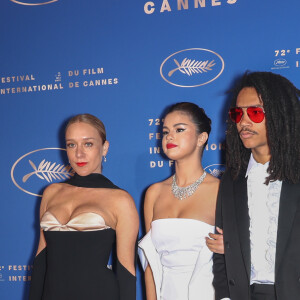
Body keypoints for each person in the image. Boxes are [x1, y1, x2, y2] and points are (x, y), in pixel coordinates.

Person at [29, 113, 139, 300]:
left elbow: (126, 271)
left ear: (104, 148)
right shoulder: (51, 192)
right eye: (72, 144)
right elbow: (40, 259)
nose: (79, 153)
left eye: (88, 144)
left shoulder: (120, 200)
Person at [213, 72, 300, 300]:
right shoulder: (231, 181)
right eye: (237, 113)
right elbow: (222, 255)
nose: (244, 122)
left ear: (279, 114)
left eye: (255, 112)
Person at [138, 102, 223, 300]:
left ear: (201, 138)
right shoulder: (154, 193)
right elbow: (150, 261)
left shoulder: (221, 191)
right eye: (166, 131)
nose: (169, 136)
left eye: (179, 129)